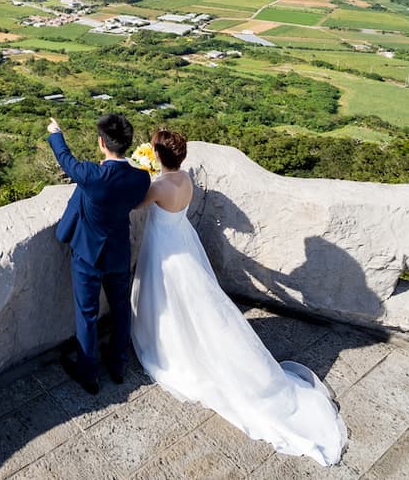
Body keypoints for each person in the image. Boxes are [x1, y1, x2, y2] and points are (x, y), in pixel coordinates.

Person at [132, 129, 347, 466]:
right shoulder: (185, 180)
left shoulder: (158, 186)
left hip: (164, 247)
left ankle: (171, 348)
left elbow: (133, 200)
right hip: (181, 238)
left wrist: (140, 173)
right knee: (194, 303)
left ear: (158, 156)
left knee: (168, 297)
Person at [47, 114, 150, 395]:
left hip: (87, 255)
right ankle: (117, 365)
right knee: (120, 309)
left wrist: (56, 133)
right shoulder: (141, 178)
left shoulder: (93, 175)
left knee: (87, 314)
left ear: (101, 143)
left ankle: (88, 373)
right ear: (127, 144)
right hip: (118, 252)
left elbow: (66, 160)